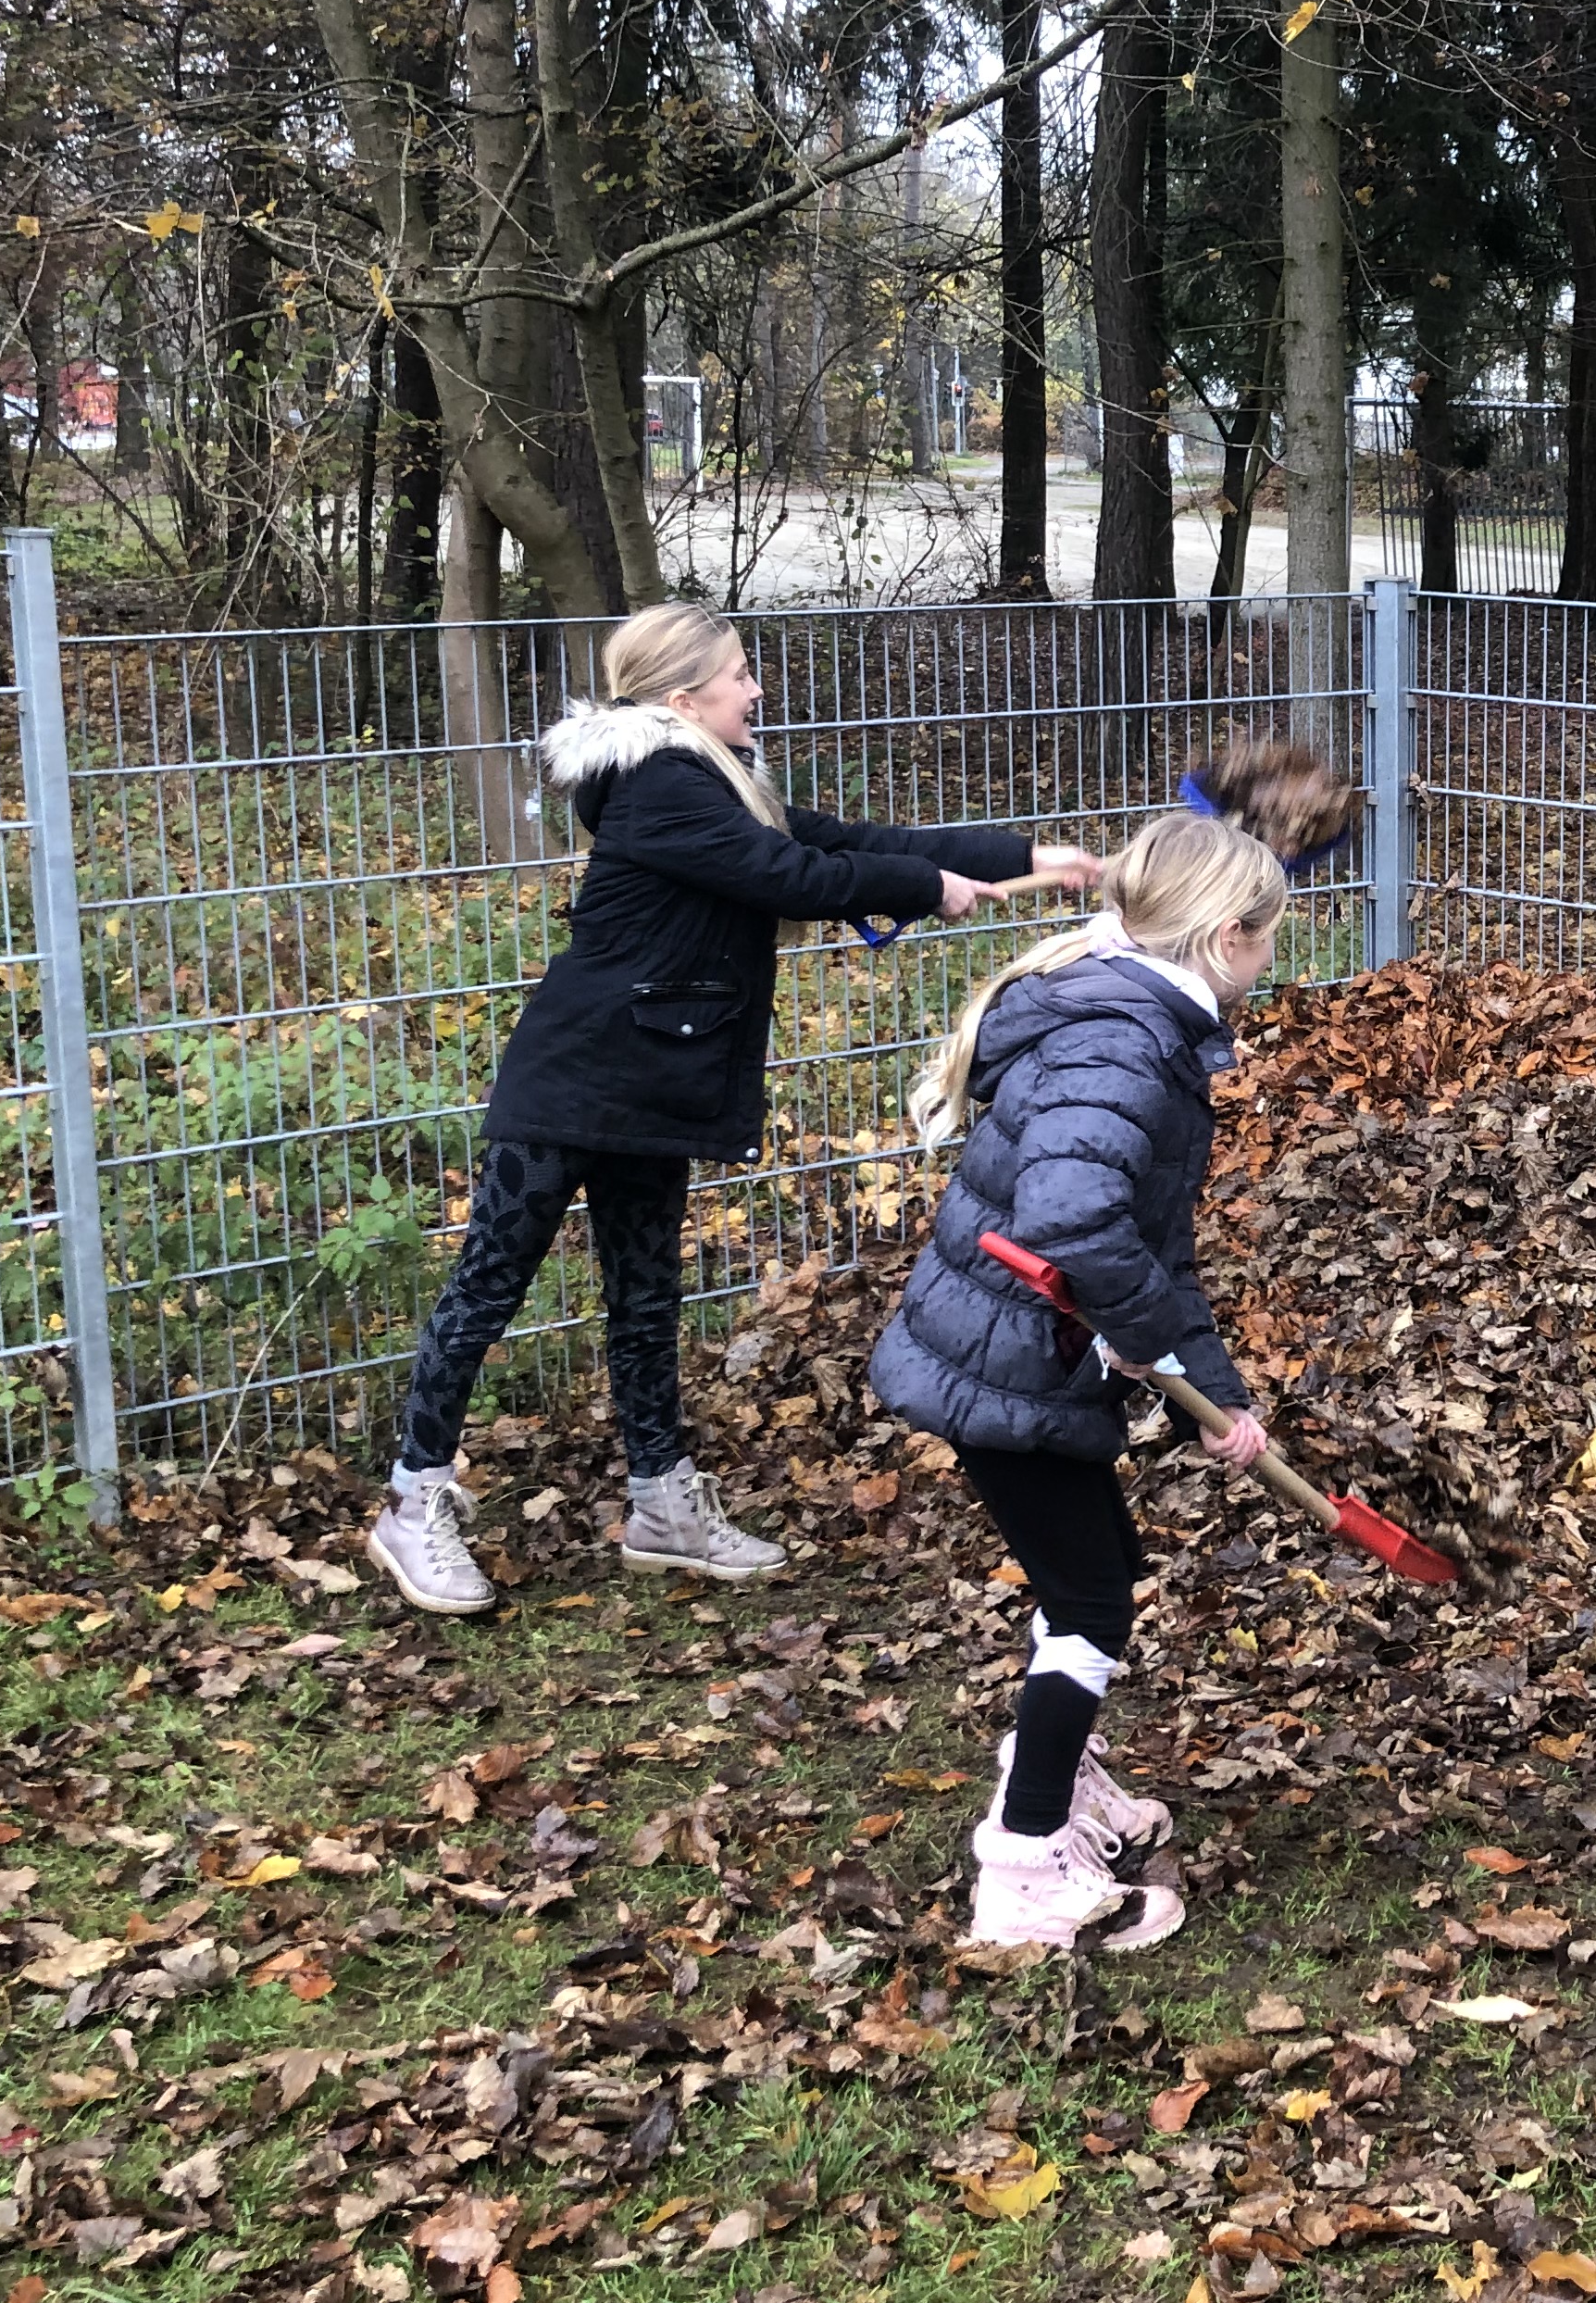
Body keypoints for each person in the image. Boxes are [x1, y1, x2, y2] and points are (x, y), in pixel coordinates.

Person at [365, 603, 1098, 1617]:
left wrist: (1025, 858)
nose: (755, 691)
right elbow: (786, 875)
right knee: (490, 1285)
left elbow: (839, 837)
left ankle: (662, 1504)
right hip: (576, 1077)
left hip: (656, 1077)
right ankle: (413, 1499)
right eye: (740, 675)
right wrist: (928, 888)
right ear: (681, 698)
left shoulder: (716, 780)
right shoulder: (661, 785)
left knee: (647, 1295)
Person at [867, 814, 1287, 1954]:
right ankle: (1025, 1867)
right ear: (1229, 938)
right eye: (1266, 939)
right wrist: (1145, 1345)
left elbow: (1150, 1246)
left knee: (1096, 1577)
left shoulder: (1133, 1004)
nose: (1269, 959)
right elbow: (1074, 1221)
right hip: (1008, 1359)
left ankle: (1060, 1778)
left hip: (1013, 1345)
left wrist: (1218, 1393)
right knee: (1094, 1603)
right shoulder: (1121, 1043)